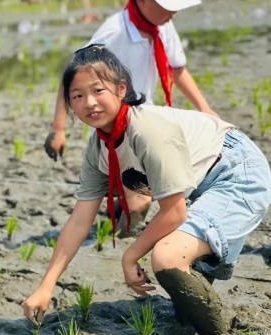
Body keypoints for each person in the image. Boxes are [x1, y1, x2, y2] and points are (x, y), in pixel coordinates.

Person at [22, 45, 271, 335]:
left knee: (166, 257)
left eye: (98, 90)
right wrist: (46, 286)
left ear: (121, 89)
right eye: (77, 96)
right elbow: (79, 221)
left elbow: (175, 211)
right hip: (201, 184)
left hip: (235, 172)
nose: (89, 102)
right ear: (69, 104)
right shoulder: (98, 148)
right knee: (184, 300)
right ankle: (200, 312)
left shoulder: (147, 130)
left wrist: (131, 256)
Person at [45, 0, 218, 234]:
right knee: (140, 197)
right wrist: (59, 128)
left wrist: (205, 109)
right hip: (114, 126)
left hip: (145, 121)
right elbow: (73, 77)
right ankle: (120, 235)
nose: (174, 12)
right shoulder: (114, 31)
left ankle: (118, 214)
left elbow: (177, 69)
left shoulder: (162, 26)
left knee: (148, 187)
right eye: (168, 6)